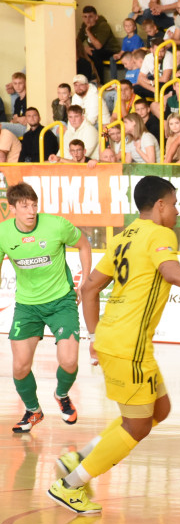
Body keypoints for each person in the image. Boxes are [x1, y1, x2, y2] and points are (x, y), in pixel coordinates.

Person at [49, 176, 180, 515]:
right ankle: (68, 485)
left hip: (122, 341)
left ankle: (81, 457)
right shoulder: (161, 234)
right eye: (174, 203)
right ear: (160, 205)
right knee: (138, 426)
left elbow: (88, 289)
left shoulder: (123, 236)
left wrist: (94, 337)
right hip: (128, 345)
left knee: (159, 410)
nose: (177, 210)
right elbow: (173, 273)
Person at [0, 183, 92, 433]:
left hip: (61, 302)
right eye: (25, 206)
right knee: (19, 366)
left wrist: (85, 281)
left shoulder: (56, 225)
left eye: (34, 205)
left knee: (70, 361)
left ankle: (61, 394)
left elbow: (84, 243)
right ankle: (33, 411)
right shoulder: (3, 233)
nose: (31, 211)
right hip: (27, 306)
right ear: (12, 208)